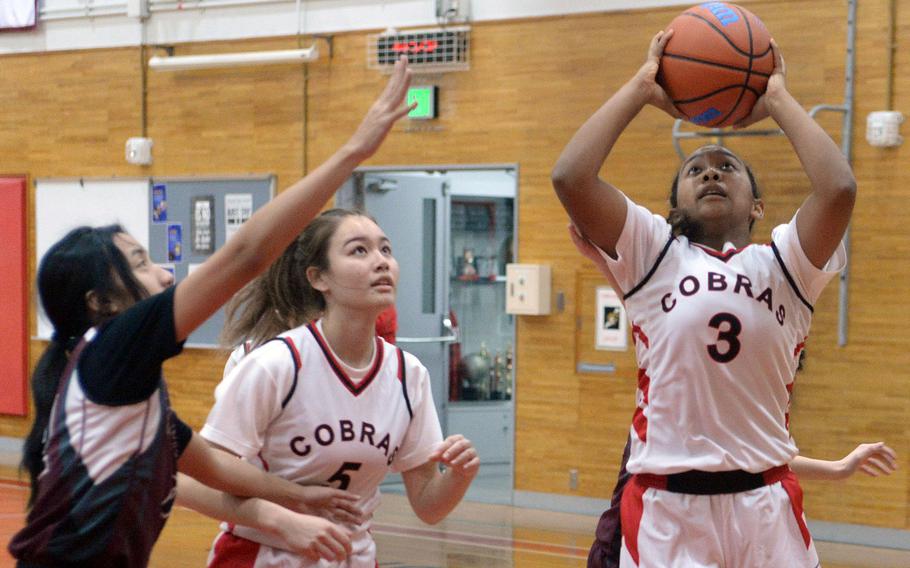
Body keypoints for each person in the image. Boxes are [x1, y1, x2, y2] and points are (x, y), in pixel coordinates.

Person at [9, 57, 417, 568]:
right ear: (103, 303)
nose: (164, 274)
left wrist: (296, 498)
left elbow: (215, 471)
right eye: (140, 262)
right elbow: (246, 257)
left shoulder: (127, 389)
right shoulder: (112, 350)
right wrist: (354, 150)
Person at [552, 28, 857, 567]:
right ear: (674, 204)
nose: (711, 171)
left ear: (758, 206)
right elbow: (571, 176)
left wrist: (778, 99)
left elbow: (838, 189)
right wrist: (642, 89)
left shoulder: (786, 263)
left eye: (727, 167)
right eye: (695, 170)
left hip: (767, 502)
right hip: (669, 508)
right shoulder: (653, 253)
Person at [568, 224, 900, 568]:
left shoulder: (750, 406)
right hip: (653, 513)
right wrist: (604, 262)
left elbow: (756, 464)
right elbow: (649, 310)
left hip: (721, 522)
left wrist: (838, 468)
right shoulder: (680, 330)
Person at [200, 208, 480, 567]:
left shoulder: (409, 375)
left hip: (354, 556)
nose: (380, 261)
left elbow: (428, 505)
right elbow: (208, 463)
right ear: (319, 279)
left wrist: (459, 475)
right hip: (265, 554)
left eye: (386, 250)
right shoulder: (278, 363)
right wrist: (294, 498)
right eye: (359, 251)